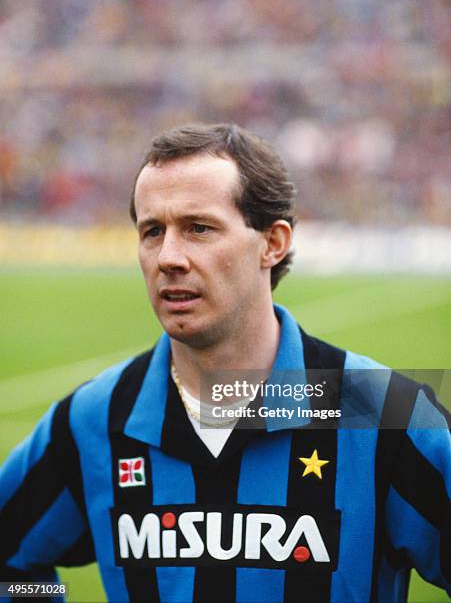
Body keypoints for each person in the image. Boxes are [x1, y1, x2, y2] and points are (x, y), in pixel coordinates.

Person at [0, 123, 449, 603]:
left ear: (273, 243)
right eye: (153, 231)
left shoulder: (385, 412)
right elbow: (11, 564)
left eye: (199, 228)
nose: (168, 256)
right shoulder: (96, 416)